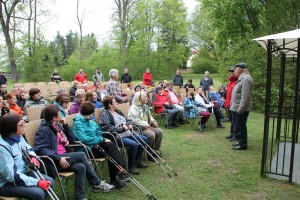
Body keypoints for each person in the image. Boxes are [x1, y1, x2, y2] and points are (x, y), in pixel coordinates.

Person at [34, 105, 115, 199]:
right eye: (59, 113)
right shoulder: (44, 129)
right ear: (54, 117)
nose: (62, 114)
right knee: (81, 155)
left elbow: (72, 140)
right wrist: (58, 158)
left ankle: (80, 197)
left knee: (81, 167)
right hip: (53, 161)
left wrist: (65, 125)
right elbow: (40, 149)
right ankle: (96, 182)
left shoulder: (57, 126)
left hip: (64, 157)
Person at [73, 101, 129, 188]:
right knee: (110, 151)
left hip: (96, 146)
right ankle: (118, 173)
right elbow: (83, 139)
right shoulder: (78, 123)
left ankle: (118, 171)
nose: (94, 113)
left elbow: (99, 132)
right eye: (93, 112)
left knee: (110, 145)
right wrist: (99, 140)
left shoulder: (92, 122)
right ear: (90, 112)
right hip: (86, 150)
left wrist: (98, 141)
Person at [0, 113, 54, 200]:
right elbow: (11, 176)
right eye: (21, 124)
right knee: (38, 193)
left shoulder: (18, 137)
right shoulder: (2, 148)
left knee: (50, 181)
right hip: (5, 183)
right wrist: (37, 182)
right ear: (11, 127)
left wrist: (32, 157)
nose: (24, 125)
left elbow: (28, 148)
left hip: (21, 174)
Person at [100, 96, 148, 175]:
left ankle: (137, 160)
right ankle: (131, 165)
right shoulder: (105, 114)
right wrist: (121, 128)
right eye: (115, 102)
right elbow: (107, 128)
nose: (117, 103)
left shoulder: (117, 111)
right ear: (109, 105)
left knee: (144, 139)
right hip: (117, 136)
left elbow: (127, 119)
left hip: (128, 133)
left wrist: (129, 124)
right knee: (133, 145)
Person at [128, 91, 163, 161]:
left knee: (159, 132)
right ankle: (149, 153)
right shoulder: (134, 107)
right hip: (139, 129)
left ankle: (154, 150)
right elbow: (134, 121)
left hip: (147, 126)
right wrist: (146, 124)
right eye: (145, 97)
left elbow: (149, 116)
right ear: (140, 98)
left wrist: (153, 121)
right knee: (151, 134)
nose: (147, 98)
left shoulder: (144, 106)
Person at [230, 63, 253, 150]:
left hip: (240, 108)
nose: (234, 71)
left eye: (236, 69)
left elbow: (245, 95)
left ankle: (243, 144)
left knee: (241, 126)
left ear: (241, 69)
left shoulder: (246, 78)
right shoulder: (242, 78)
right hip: (236, 107)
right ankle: (240, 142)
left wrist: (241, 109)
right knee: (238, 126)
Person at [225, 67, 238, 140]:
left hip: (233, 103)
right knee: (231, 119)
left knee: (234, 120)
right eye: (231, 71)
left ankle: (235, 135)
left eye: (233, 71)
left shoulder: (237, 81)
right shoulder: (230, 81)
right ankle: (232, 133)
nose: (231, 73)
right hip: (228, 103)